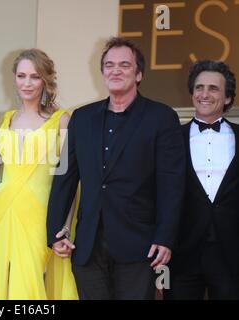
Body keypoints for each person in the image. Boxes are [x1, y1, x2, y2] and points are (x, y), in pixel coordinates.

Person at [47, 37, 186, 300]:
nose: (116, 70)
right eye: (109, 65)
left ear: (139, 73)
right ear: (102, 73)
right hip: (88, 245)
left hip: (139, 246)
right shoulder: (82, 118)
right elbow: (65, 176)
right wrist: (55, 230)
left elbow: (172, 184)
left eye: (124, 64)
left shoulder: (161, 117)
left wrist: (165, 237)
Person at [0, 49, 78, 300]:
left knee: (30, 288)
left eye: (34, 76)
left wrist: (64, 227)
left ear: (45, 80)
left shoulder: (61, 120)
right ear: (14, 79)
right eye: (21, 76)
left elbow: (69, 182)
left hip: (40, 215)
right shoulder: (6, 119)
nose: (27, 83)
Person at [164, 60, 239, 300]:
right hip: (183, 251)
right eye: (199, 87)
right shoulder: (171, 138)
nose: (204, 94)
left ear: (227, 98)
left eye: (213, 88)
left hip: (232, 252)